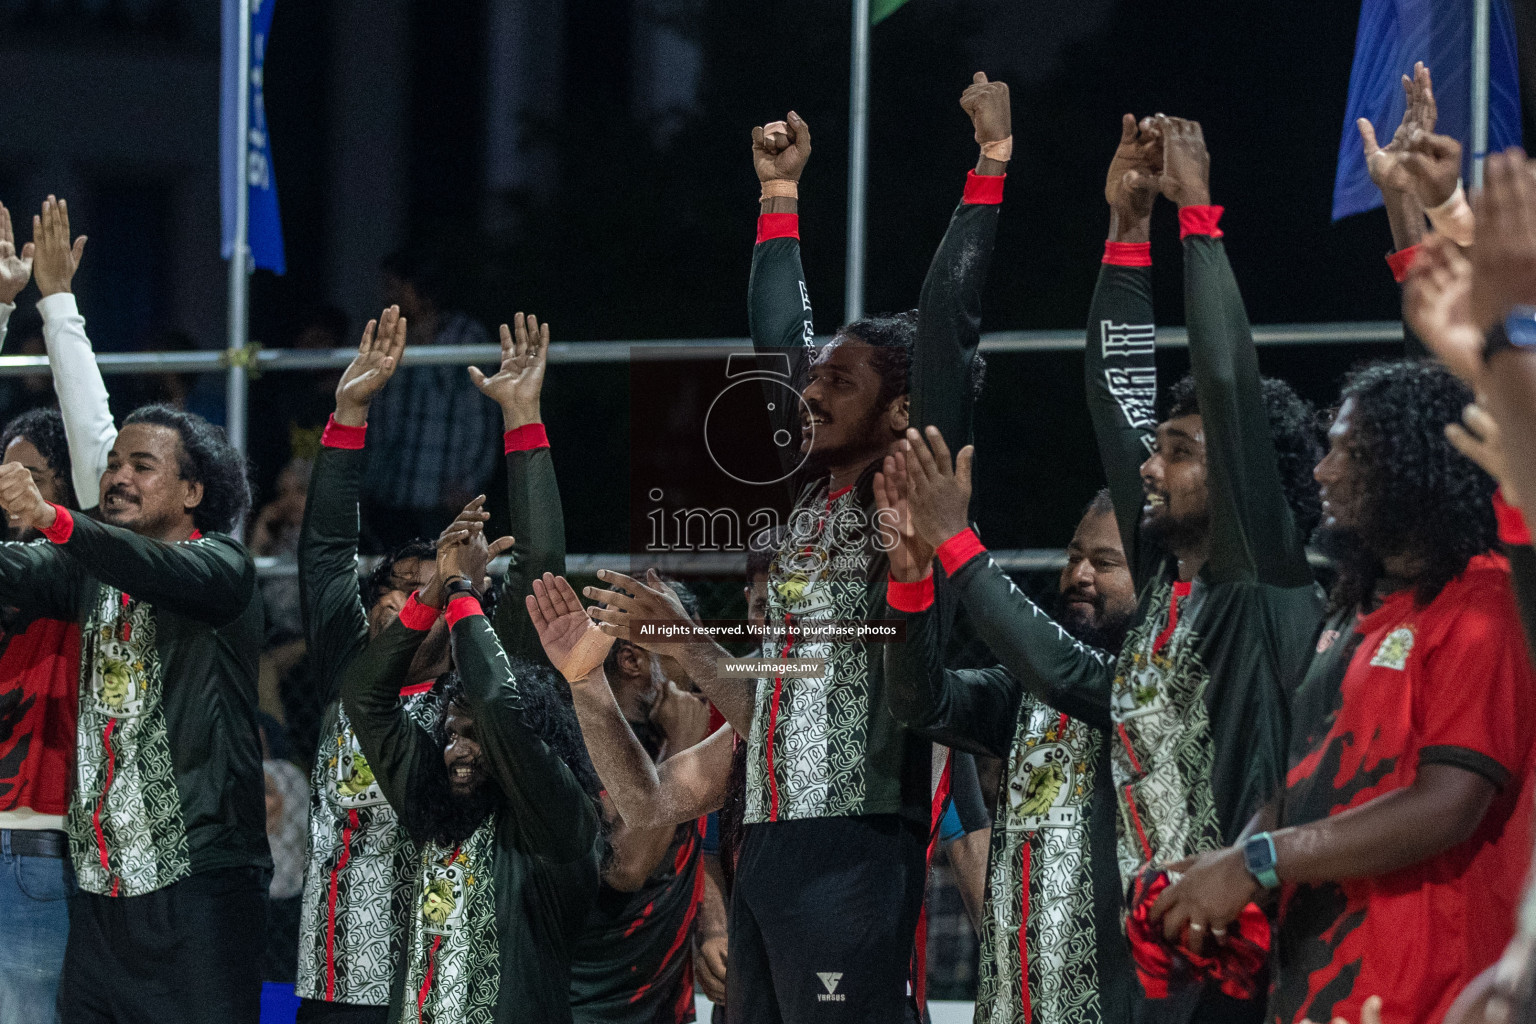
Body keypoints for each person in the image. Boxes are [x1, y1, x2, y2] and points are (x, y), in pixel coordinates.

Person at [583, 73, 1010, 1024]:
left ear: (901, 408)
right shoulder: (806, 505)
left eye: (841, 384)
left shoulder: (909, 488)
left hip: (856, 837)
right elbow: (781, 345)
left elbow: (949, 326)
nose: (810, 395)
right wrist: (779, 197)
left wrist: (989, 169)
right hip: (768, 830)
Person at [1149, 359, 1536, 1024]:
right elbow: (1309, 776)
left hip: (1434, 992)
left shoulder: (1485, 606)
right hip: (1325, 984)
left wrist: (1259, 860)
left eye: (1351, 453)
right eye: (1328, 449)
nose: (1324, 472)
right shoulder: (1356, 609)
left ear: (1417, 465)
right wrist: (1227, 872)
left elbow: (1449, 805)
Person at [295, 309, 567, 1023]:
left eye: (429, 586)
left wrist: (523, 421)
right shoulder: (350, 669)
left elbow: (540, 567)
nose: (403, 599)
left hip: (421, 986)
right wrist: (349, 413)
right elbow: (325, 550)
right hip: (324, 981)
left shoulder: (472, 699)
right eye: (393, 586)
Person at [0, 396, 267, 1023]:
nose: (118, 476)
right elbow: (14, 567)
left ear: (194, 491)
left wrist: (55, 518)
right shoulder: (87, 571)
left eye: (142, 465)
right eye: (113, 463)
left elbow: (151, 567)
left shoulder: (223, 566)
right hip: (102, 892)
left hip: (199, 884)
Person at [881, 465, 1140, 1023]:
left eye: (1106, 562)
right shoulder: (1027, 693)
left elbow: (1065, 673)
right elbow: (920, 702)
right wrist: (909, 581)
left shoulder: (1152, 687)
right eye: (1074, 556)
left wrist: (957, 544)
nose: (1079, 574)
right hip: (1010, 1008)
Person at [340, 507, 602, 1024]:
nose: (458, 751)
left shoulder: (559, 822)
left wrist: (463, 590)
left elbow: (497, 704)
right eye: (452, 736)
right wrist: (433, 589)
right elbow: (364, 695)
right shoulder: (435, 804)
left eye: (477, 740)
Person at [569, 579, 712, 1024]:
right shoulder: (583, 741)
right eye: (687, 643)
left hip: (667, 1006)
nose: (702, 658)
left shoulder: (672, 728)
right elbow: (626, 867)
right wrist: (685, 744)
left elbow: (695, 851)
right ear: (633, 659)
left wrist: (716, 927)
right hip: (598, 1008)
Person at [0, 407, 83, 1024]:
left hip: (33, 844)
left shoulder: (82, 573)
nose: (13, 488)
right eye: (5, 473)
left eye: (32, 474)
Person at [361, 250, 502, 551]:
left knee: (441, 586)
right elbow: (376, 413)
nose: (387, 295)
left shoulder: (466, 337)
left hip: (442, 495)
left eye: (394, 286)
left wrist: (470, 483)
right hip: (390, 492)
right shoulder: (387, 336)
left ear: (420, 289)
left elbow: (482, 418)